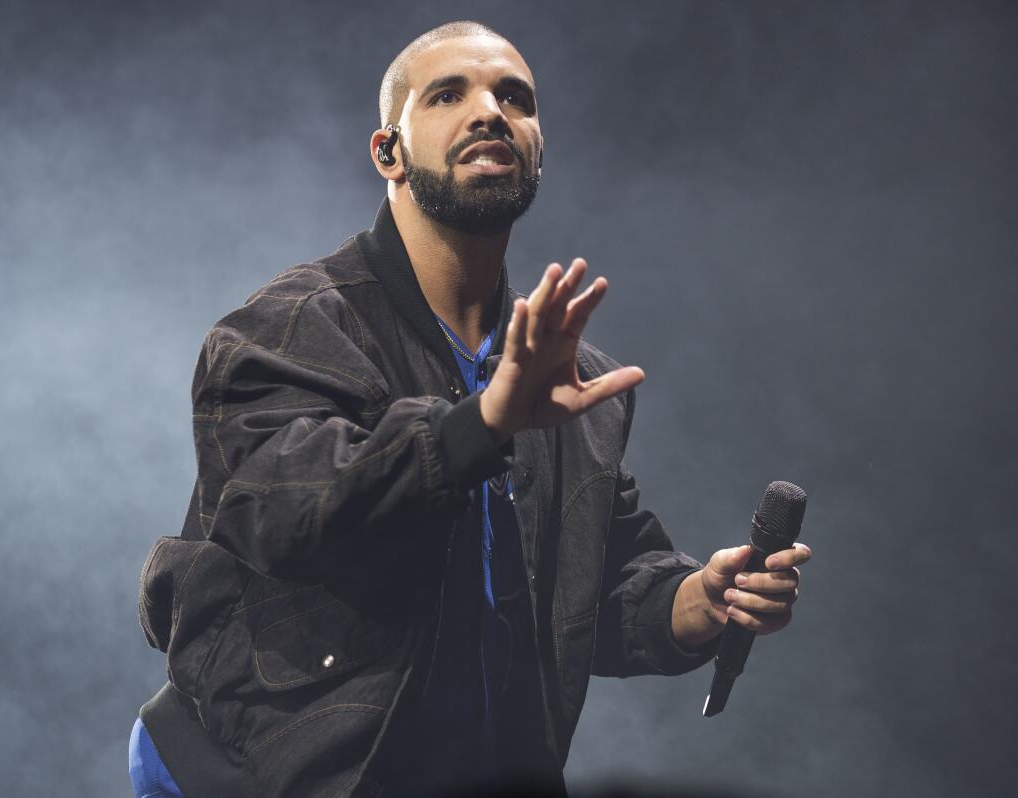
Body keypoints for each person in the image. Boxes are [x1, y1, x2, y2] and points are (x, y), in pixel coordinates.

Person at [131, 20, 812, 798]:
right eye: (449, 94)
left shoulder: (573, 380)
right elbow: (284, 510)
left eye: (513, 98)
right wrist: (482, 423)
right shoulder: (291, 325)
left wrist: (700, 600)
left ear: (538, 151)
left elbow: (594, 581)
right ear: (389, 151)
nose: (488, 111)